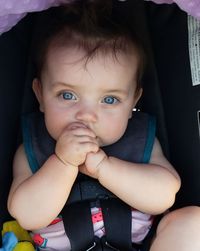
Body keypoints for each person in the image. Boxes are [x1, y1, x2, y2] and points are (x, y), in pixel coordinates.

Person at [7, 1, 200, 251]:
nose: (87, 115)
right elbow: (27, 215)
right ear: (40, 95)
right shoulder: (33, 149)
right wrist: (63, 163)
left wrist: (104, 169)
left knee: (192, 222)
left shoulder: (141, 141)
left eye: (109, 100)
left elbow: (164, 197)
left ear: (133, 102)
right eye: (67, 95)